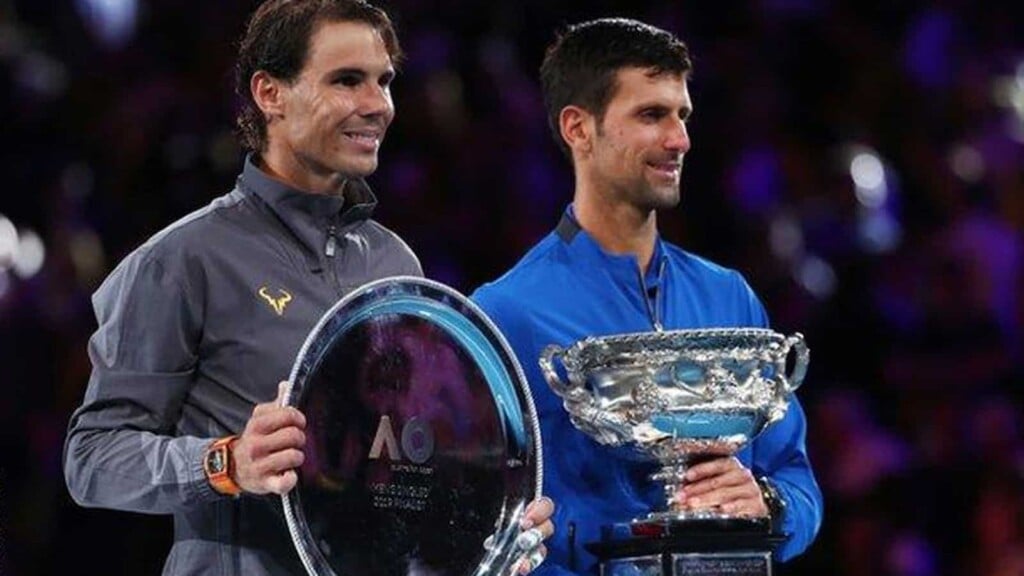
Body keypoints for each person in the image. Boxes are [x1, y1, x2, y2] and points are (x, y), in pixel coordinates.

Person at [62, 1, 552, 574]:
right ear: (271, 94)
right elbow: (91, 458)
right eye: (347, 81)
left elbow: (399, 470)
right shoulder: (182, 259)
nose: (377, 106)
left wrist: (488, 530)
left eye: (384, 81)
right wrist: (226, 463)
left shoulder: (394, 264)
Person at [471, 18, 823, 575]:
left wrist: (767, 504)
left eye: (681, 115)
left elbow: (795, 476)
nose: (679, 139)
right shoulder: (505, 315)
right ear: (578, 128)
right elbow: (480, 525)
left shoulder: (728, 297)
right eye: (651, 115)